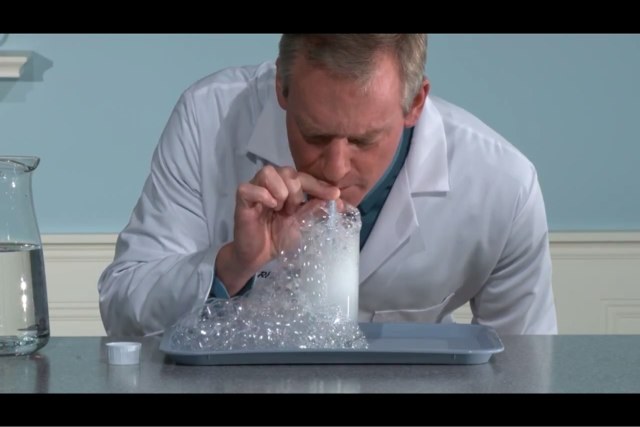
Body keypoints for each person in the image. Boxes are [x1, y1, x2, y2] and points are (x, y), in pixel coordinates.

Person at [98, 34, 558, 337]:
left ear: (415, 103)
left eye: (364, 140)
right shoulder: (207, 119)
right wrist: (234, 264)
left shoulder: (504, 187)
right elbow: (122, 310)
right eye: (314, 134)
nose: (336, 169)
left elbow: (523, 369)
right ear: (281, 88)